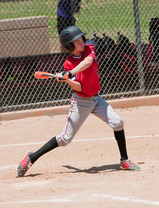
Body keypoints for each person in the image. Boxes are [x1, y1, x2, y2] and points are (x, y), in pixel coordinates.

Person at [17, 25, 140, 177]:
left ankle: (124, 160)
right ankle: (31, 157)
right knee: (64, 139)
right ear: (70, 46)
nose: (81, 41)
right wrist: (66, 79)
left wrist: (70, 73)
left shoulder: (88, 49)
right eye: (77, 41)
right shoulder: (68, 63)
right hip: (81, 101)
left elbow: (88, 62)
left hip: (96, 98)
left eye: (81, 38)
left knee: (118, 122)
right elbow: (80, 87)